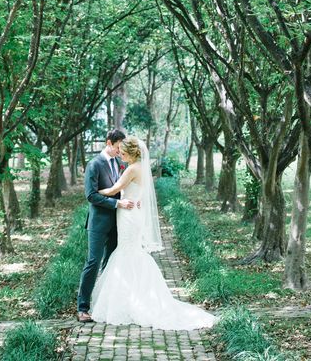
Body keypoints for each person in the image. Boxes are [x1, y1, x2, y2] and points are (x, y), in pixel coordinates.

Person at [90, 135, 217, 330]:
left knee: (127, 252)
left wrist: (96, 192)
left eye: (123, 153)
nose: (120, 155)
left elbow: (115, 188)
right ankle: (134, 295)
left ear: (131, 154)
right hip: (134, 212)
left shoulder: (132, 169)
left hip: (128, 214)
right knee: (130, 252)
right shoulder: (141, 168)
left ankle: (130, 300)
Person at [77, 129, 136, 323]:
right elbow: (91, 195)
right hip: (98, 222)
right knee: (93, 262)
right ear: (109, 143)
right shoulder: (94, 164)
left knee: (110, 264)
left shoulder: (120, 163)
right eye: (118, 147)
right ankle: (82, 307)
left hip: (119, 222)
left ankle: (103, 304)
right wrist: (117, 203)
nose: (121, 151)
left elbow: (121, 189)